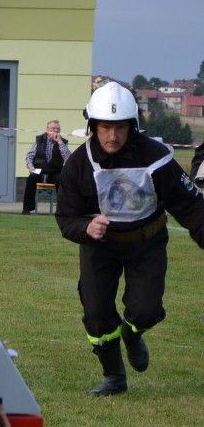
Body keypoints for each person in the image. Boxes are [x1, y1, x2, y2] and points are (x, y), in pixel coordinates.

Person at [55, 82, 204, 397]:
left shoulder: (157, 157)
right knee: (96, 313)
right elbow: (66, 218)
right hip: (101, 246)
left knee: (147, 310)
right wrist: (86, 228)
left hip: (146, 244)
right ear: (92, 126)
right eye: (105, 128)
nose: (112, 136)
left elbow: (191, 205)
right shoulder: (77, 165)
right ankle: (113, 377)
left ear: (132, 127)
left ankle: (133, 334)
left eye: (120, 128)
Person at [22, 119, 71, 214]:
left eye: (58, 129)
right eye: (53, 128)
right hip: (39, 169)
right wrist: (30, 166)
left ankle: (63, 210)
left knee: (62, 179)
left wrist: (60, 142)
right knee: (31, 178)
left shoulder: (63, 142)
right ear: (47, 129)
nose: (56, 130)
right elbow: (30, 156)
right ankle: (27, 208)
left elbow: (69, 159)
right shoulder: (39, 139)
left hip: (55, 171)